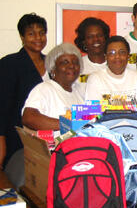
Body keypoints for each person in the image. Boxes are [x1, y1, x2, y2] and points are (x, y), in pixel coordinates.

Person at [0, 13, 48, 187]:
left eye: (42, 33)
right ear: (22, 37)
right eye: (31, 33)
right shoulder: (9, 64)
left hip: (46, 138)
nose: (38, 38)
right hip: (17, 138)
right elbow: (2, 108)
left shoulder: (51, 63)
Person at [22, 43, 84, 132]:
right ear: (53, 69)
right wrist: (68, 125)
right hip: (55, 145)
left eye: (75, 62)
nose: (71, 66)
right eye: (65, 62)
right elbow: (29, 118)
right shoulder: (45, 88)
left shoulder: (78, 92)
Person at [85, 36, 137, 107]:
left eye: (122, 52)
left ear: (128, 56)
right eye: (112, 53)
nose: (117, 56)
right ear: (106, 56)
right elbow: (92, 111)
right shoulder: (95, 78)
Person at [74, 17, 110, 83]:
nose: (96, 39)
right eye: (90, 37)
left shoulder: (114, 63)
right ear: (83, 41)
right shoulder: (77, 65)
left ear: (105, 38)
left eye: (99, 35)